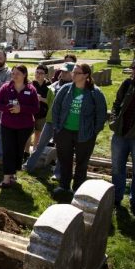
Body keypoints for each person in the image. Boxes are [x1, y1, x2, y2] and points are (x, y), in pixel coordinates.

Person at [52, 63, 107, 194]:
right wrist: (57, 127)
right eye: (73, 72)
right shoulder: (65, 89)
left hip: (85, 134)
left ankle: (78, 189)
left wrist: (94, 132)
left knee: (82, 163)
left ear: (86, 75)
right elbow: (55, 109)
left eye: (77, 73)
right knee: (65, 161)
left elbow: (101, 114)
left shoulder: (95, 93)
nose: (73, 75)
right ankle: (64, 186)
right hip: (65, 131)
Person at [24, 62, 74, 176]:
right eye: (62, 71)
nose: (63, 73)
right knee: (40, 145)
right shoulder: (54, 86)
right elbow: (51, 103)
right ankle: (28, 166)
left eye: (66, 72)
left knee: (62, 148)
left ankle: (58, 172)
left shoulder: (74, 88)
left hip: (64, 122)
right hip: (50, 120)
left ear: (72, 73)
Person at [0, 65, 39, 188]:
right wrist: (9, 108)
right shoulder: (5, 88)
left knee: (18, 151)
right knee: (8, 151)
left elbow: (36, 108)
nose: (14, 76)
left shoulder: (31, 89)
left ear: (24, 74)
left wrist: (21, 109)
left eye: (17, 73)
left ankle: (13, 173)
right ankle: (6, 179)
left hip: (25, 126)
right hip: (8, 125)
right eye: (13, 73)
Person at [110, 55, 135, 219]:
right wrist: (114, 121)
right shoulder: (127, 84)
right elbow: (116, 104)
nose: (134, 71)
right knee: (117, 168)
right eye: (133, 68)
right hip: (121, 134)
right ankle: (116, 199)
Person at [27, 64, 51, 155]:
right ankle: (25, 152)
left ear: (45, 75)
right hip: (31, 114)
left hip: (43, 114)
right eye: (37, 72)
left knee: (38, 133)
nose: (38, 74)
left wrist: (41, 99)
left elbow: (52, 101)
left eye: (41, 73)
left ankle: (34, 151)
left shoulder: (50, 86)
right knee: (28, 133)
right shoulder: (31, 84)